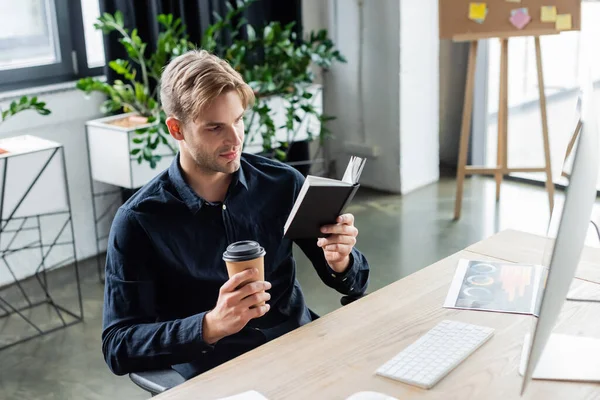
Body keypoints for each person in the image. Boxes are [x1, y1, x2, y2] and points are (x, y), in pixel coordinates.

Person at [101, 49, 370, 380]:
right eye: (215, 127)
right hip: (216, 371)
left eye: (239, 120)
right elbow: (118, 346)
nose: (235, 139)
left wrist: (341, 260)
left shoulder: (282, 183)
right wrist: (210, 325)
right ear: (177, 129)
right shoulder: (139, 221)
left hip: (299, 348)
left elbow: (354, 282)